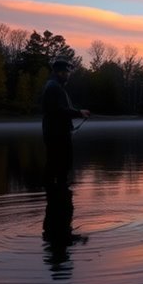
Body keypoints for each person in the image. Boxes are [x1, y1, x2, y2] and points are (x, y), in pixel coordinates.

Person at [41, 56, 90, 189]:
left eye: (68, 72)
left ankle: (59, 197)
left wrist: (80, 112)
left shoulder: (55, 86)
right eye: (67, 72)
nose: (68, 75)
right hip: (57, 135)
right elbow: (58, 110)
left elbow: (62, 109)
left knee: (59, 165)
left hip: (57, 133)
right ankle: (59, 197)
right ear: (60, 72)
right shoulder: (54, 88)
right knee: (59, 165)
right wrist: (79, 113)